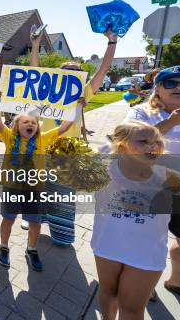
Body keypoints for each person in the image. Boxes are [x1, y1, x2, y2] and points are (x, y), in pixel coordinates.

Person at [27, 29, 118, 243]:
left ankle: (62, 233)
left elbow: (103, 70)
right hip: (43, 147)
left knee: (64, 194)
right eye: (66, 71)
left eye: (75, 72)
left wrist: (112, 42)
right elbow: (34, 72)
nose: (70, 74)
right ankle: (37, 219)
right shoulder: (46, 91)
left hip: (68, 152)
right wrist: (35, 44)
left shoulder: (83, 93)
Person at [92, 121, 177, 319]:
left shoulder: (168, 174)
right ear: (122, 146)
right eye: (144, 141)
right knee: (108, 292)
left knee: (131, 308)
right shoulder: (103, 169)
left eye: (157, 141)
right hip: (106, 246)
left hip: (145, 253)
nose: (153, 146)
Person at [124, 65, 180, 298]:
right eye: (171, 83)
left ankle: (178, 281)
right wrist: (170, 122)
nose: (179, 87)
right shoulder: (141, 112)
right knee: (147, 240)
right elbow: (129, 142)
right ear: (158, 89)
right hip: (148, 186)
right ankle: (144, 287)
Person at [0, 102, 74, 272]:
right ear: (17, 126)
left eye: (34, 123)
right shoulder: (9, 137)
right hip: (12, 188)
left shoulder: (42, 139)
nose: (30, 124)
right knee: (8, 219)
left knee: (35, 223)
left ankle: (32, 249)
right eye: (25, 122)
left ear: (37, 127)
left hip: (34, 189)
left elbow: (64, 127)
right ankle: (3, 247)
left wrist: (77, 108)